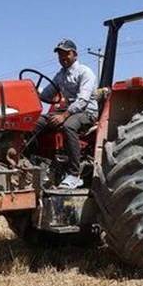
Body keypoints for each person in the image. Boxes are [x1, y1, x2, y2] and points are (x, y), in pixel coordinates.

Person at [32, 38, 99, 189]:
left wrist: (64, 116)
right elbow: (48, 94)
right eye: (60, 55)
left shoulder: (85, 72)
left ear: (74, 54)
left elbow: (83, 100)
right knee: (36, 122)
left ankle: (74, 174)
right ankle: (31, 162)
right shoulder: (60, 75)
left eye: (66, 54)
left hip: (87, 111)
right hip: (68, 109)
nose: (63, 58)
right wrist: (34, 91)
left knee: (69, 125)